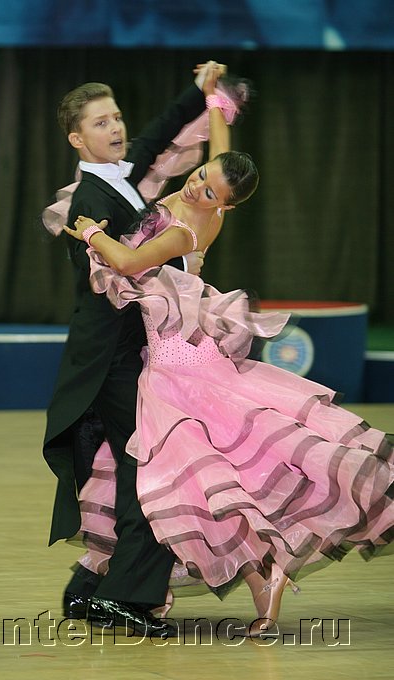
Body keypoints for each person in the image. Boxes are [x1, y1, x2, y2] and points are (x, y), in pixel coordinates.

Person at [65, 70, 394, 637]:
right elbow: (222, 148)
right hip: (181, 358)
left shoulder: (186, 229)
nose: (197, 189)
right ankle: (254, 581)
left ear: (226, 207)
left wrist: (91, 234)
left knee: (192, 477)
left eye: (211, 192)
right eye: (199, 177)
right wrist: (215, 97)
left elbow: (128, 262)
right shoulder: (209, 189)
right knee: (213, 476)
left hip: (174, 367)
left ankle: (167, 585)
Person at [43, 61, 229, 638]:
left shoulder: (122, 173)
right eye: (101, 123)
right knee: (157, 462)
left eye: (116, 117)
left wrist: (199, 91)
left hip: (130, 355)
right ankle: (123, 595)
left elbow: (161, 127)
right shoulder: (88, 200)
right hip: (109, 360)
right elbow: (111, 272)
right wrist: (101, 241)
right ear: (78, 139)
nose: (117, 128)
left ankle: (92, 588)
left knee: (134, 466)